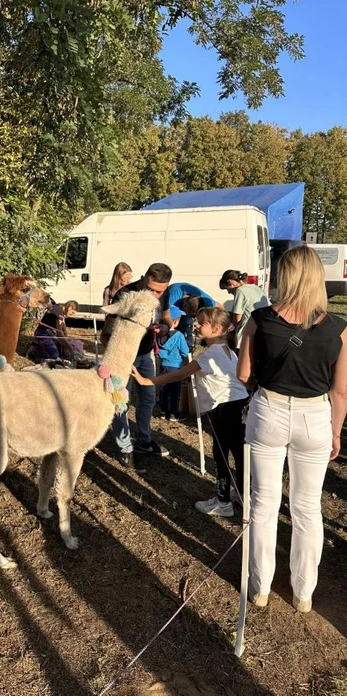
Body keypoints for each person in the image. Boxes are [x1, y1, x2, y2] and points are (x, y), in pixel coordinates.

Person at [237, 246, 347, 613]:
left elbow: (242, 374)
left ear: (284, 276)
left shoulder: (260, 318)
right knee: (307, 508)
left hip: (268, 409)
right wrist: (336, 432)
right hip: (314, 416)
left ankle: (260, 586)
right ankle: (303, 592)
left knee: (263, 505)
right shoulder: (339, 329)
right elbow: (340, 390)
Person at [133, 307, 249, 515]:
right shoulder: (228, 351)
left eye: (201, 323)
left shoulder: (209, 356)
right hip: (240, 406)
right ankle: (242, 494)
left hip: (224, 409)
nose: (195, 325)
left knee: (221, 455)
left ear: (215, 328)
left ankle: (223, 502)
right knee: (239, 454)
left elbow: (178, 375)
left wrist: (146, 381)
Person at [102, 263, 172, 473]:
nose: (155, 294)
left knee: (148, 397)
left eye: (159, 291)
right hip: (125, 359)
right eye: (151, 289)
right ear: (143, 279)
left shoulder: (164, 294)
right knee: (121, 401)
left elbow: (166, 316)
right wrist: (120, 358)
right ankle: (125, 448)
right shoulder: (126, 294)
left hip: (146, 353)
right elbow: (108, 331)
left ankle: (144, 439)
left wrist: (165, 327)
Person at [219, 270, 269, 351]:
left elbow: (237, 319)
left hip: (245, 336)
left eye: (227, 289)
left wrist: (228, 332)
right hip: (262, 332)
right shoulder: (255, 287)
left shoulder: (240, 291)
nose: (228, 292)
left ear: (230, 282)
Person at [157, 305, 189, 421]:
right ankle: (174, 413)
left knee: (164, 389)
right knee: (175, 391)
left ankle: (163, 411)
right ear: (175, 322)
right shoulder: (179, 336)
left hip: (163, 365)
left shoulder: (159, 334)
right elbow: (185, 351)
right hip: (176, 367)